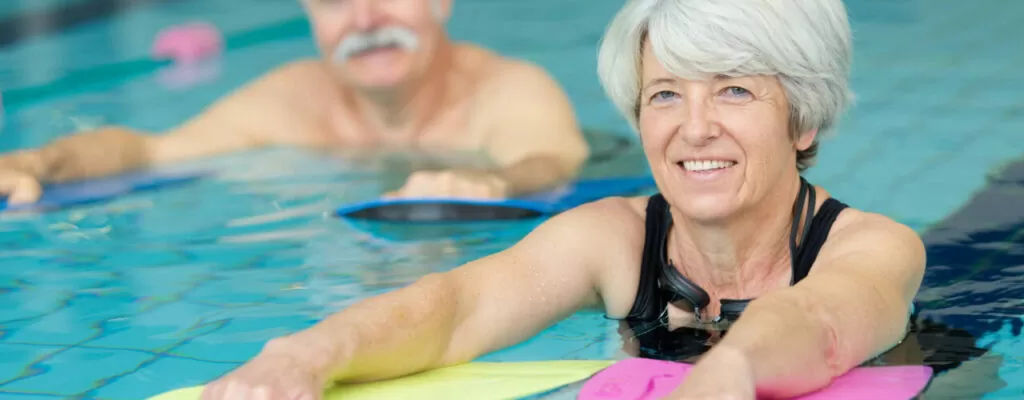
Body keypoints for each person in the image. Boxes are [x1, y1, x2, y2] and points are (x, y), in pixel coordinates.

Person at [198, 0, 927, 399]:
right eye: (665, 94)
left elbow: (820, 323)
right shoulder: (613, 240)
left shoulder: (874, 247)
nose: (693, 127)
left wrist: (729, 372)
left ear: (801, 119)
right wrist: (306, 354)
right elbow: (455, 309)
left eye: (734, 90)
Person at [0, 0, 589, 204]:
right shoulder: (294, 99)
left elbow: (549, 163)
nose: (364, 19)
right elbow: (150, 150)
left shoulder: (508, 89)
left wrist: (491, 183)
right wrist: (36, 164)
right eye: (334, 1)